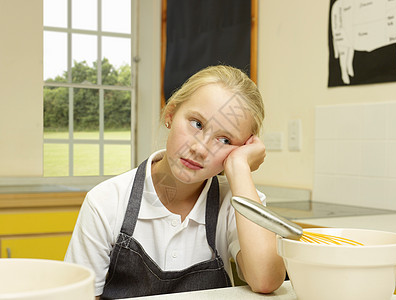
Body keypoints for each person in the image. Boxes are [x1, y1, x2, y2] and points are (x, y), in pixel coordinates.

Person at [65, 65, 286, 299]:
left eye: (224, 139)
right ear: (170, 114)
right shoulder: (106, 202)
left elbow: (266, 279)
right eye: (197, 123)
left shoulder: (239, 202)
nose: (200, 148)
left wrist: (240, 169)